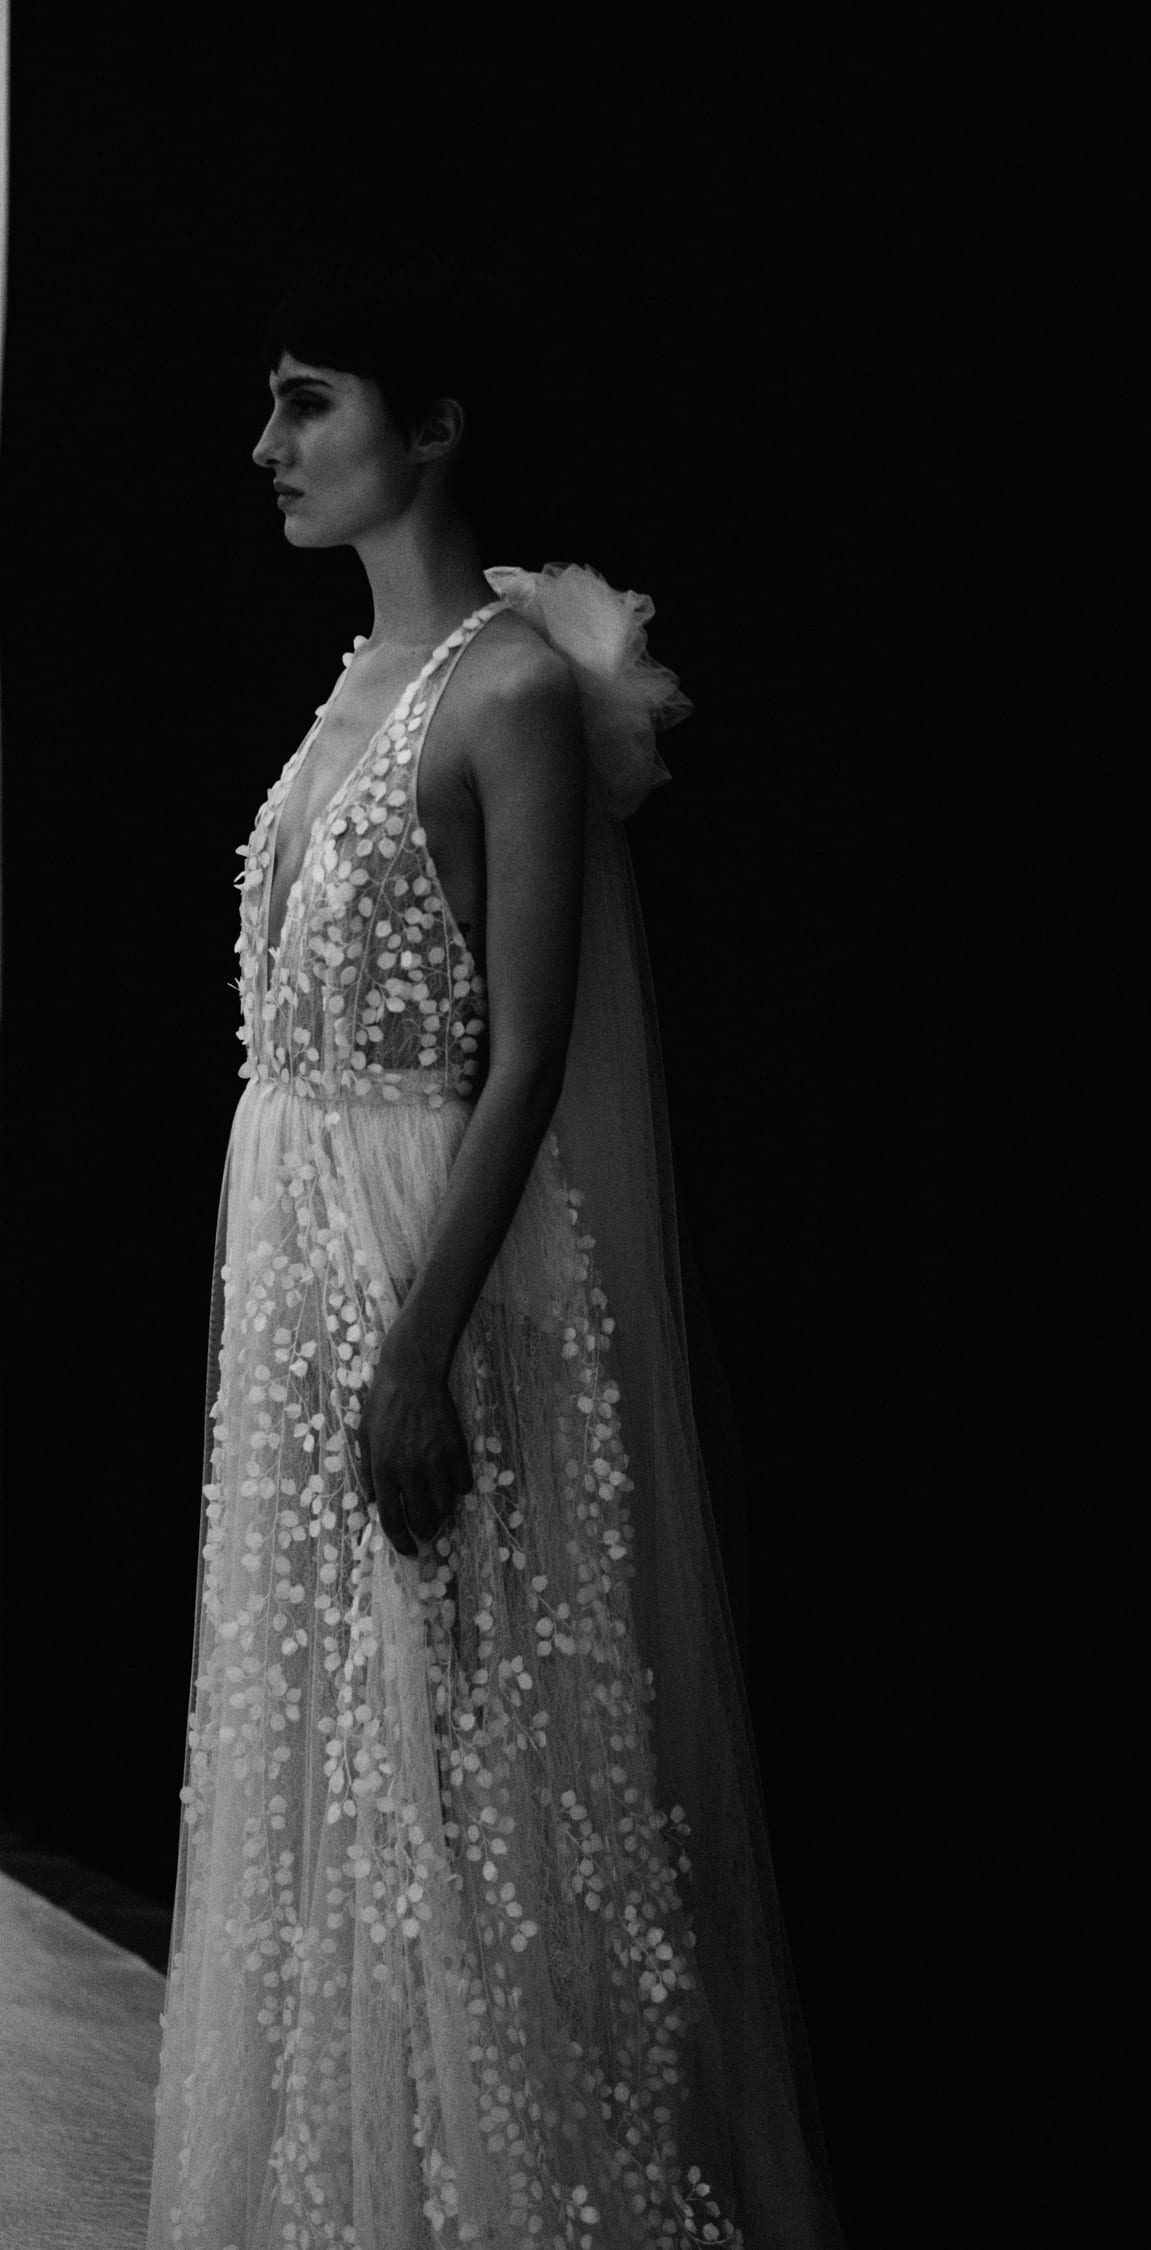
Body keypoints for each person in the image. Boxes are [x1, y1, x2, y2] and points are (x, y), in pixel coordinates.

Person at [147, 251, 845, 2250]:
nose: (268, 445)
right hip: (301, 1257)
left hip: (424, 1265)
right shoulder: (352, 688)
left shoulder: (511, 692)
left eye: (309, 400)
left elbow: (528, 1047)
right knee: (330, 1762)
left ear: (432, 427)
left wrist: (416, 1346)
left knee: (454, 1768)